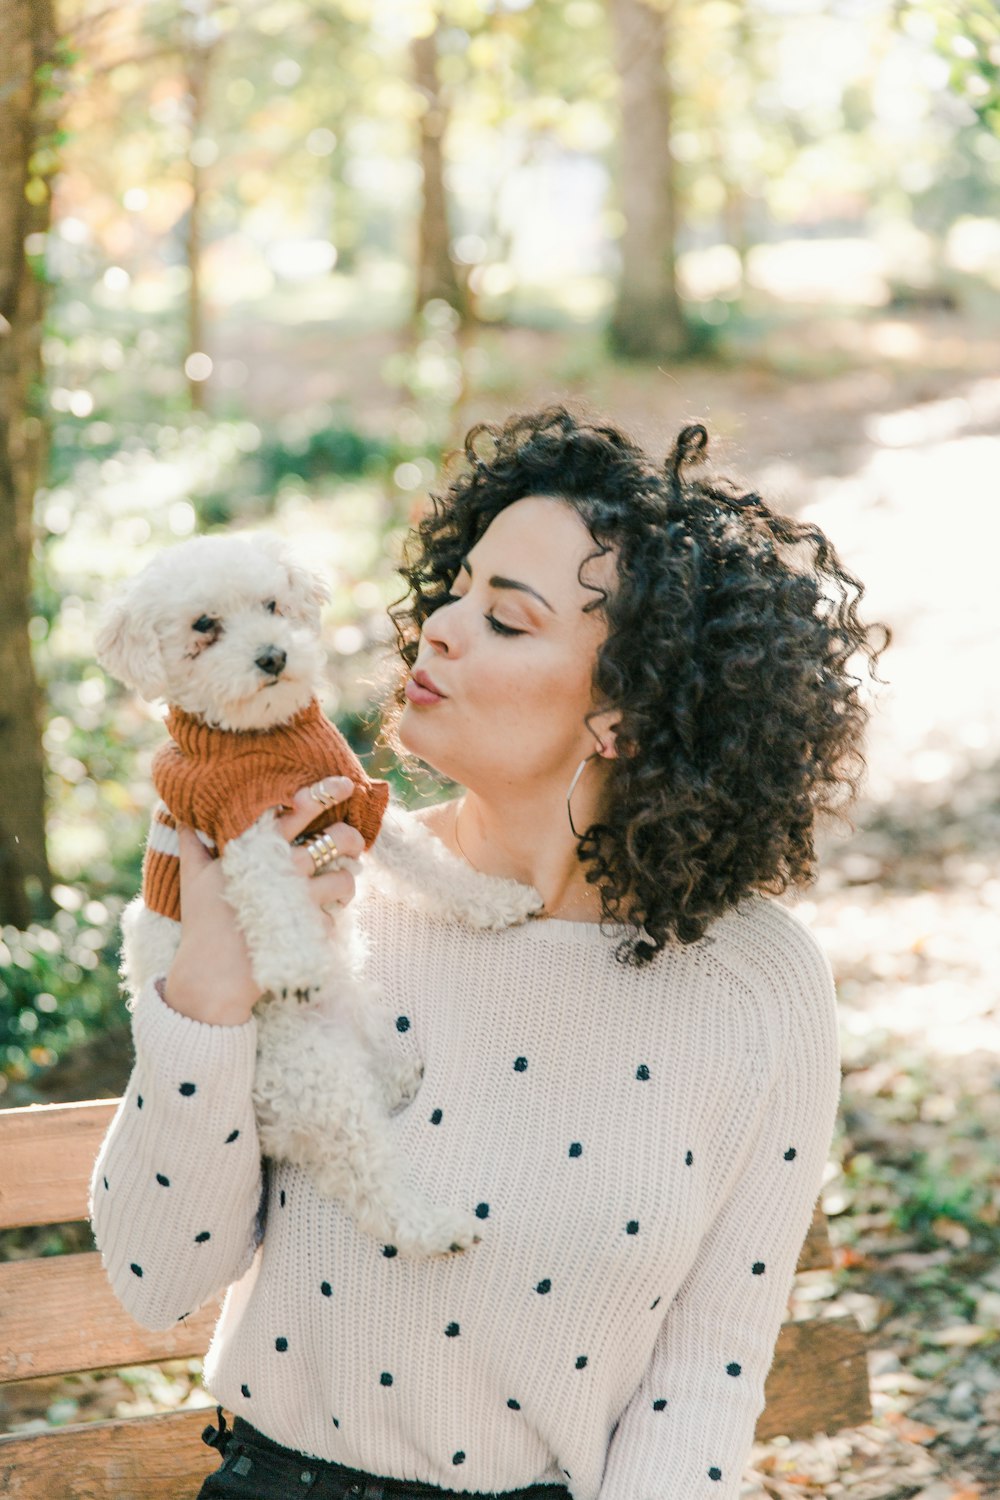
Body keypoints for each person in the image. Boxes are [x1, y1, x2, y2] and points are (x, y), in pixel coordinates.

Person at [90, 405, 888, 1500]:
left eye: (506, 622)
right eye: (455, 589)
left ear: (628, 714)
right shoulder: (321, 883)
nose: (441, 630)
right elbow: (154, 1277)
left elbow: (704, 1372)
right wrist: (209, 993)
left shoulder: (754, 990)